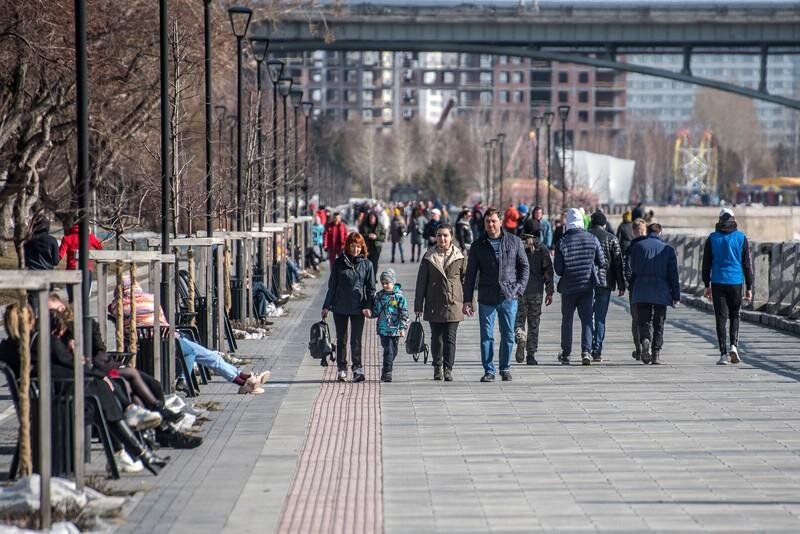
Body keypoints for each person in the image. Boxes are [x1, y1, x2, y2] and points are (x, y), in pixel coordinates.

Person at [463, 208, 529, 382]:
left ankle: (505, 368)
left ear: (500, 222)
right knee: (487, 335)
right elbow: (470, 275)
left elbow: (524, 267)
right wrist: (467, 299)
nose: (490, 225)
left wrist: (519, 289)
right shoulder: (478, 245)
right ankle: (489, 370)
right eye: (487, 222)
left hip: (509, 295)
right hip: (486, 297)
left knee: (507, 334)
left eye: (493, 221)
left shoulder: (514, 241)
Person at [554, 208, 606, 366]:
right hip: (586, 286)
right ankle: (586, 351)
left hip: (568, 288)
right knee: (587, 320)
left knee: (567, 321)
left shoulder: (562, 241)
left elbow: (558, 269)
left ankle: (566, 353)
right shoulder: (591, 238)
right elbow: (602, 261)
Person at [701, 208, 753, 365]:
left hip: (717, 281)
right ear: (733, 219)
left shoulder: (712, 238)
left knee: (721, 318)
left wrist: (706, 284)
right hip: (736, 281)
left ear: (719, 220)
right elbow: (747, 265)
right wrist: (749, 286)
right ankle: (734, 346)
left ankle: (723, 354)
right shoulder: (741, 237)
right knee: (735, 315)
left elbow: (706, 264)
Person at [414, 224, 466, 382]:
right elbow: (421, 282)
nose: (442, 238)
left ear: (451, 237)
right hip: (434, 301)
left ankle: (448, 368)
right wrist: (418, 306)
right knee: (436, 337)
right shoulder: (429, 256)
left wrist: (468, 301)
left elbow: (466, 280)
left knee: (450, 337)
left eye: (445, 235)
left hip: (453, 302)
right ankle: (437, 367)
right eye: (439, 235)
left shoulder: (459, 256)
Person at [322, 232, 375, 382]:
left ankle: (358, 369)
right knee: (342, 339)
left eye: (358, 246)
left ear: (362, 247)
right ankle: (342, 369)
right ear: (347, 246)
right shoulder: (339, 263)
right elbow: (332, 287)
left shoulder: (367, 265)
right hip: (339, 306)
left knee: (356, 340)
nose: (355, 249)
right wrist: (326, 306)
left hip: (359, 307)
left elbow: (371, 289)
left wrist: (368, 306)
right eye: (352, 246)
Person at [629, 223, 680, 365]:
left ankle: (645, 339)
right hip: (661, 290)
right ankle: (656, 353)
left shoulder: (638, 246)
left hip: (641, 289)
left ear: (647, 232)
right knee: (659, 322)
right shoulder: (668, 249)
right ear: (660, 233)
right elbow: (673, 274)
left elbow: (633, 267)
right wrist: (676, 295)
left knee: (644, 320)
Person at [514, 218, 554, 365]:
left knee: (519, 319)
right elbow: (548, 270)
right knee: (534, 322)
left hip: (519, 290)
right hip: (536, 291)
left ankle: (520, 336)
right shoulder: (541, 248)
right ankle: (531, 354)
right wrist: (549, 291)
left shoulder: (517, 246)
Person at [587, 210, 626, 362]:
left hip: (587, 282)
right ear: (604, 224)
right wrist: (621, 284)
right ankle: (597, 351)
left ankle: (587, 348)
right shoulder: (612, 238)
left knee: (587, 317)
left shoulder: (585, 236)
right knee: (600, 318)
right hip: (605, 283)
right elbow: (618, 263)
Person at [371, 269, 409, 383]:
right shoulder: (379, 296)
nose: (385, 285)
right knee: (388, 350)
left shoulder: (399, 297)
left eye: (387, 283)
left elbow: (404, 313)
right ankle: (388, 372)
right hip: (383, 328)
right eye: (383, 283)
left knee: (394, 351)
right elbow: (376, 311)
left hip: (395, 329)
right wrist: (369, 313)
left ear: (393, 282)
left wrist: (402, 328)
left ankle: (386, 369)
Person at [59, 216, 104, 302]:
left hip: (71, 271)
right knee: (85, 299)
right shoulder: (89, 237)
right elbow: (100, 248)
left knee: (72, 300)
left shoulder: (66, 238)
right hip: (86, 270)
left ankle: (73, 314)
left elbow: (60, 255)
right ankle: (84, 314)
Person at [623, 218, 648, 360]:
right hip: (649, 285)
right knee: (648, 317)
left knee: (636, 318)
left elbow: (627, 267)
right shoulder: (651, 245)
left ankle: (638, 348)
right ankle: (647, 343)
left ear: (633, 232)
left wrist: (628, 281)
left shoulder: (631, 247)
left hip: (635, 286)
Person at [359, 211, 386, 279]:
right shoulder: (364, 225)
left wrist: (376, 237)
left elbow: (383, 236)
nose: (371, 219)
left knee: (374, 263)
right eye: (370, 218)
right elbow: (360, 235)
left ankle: (373, 278)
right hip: (366, 247)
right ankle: (367, 277)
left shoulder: (379, 225)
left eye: (373, 218)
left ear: (376, 218)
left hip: (376, 247)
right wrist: (368, 235)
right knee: (366, 263)